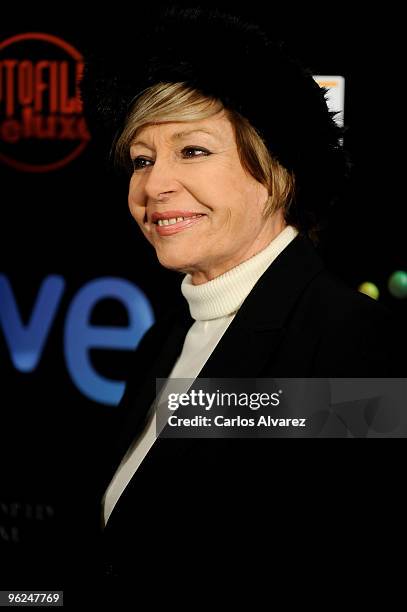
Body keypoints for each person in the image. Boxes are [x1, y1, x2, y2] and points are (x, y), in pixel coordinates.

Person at [78, 6, 403, 595]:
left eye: (193, 151)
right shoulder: (171, 334)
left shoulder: (352, 343)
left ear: (278, 172)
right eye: (142, 159)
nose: (152, 186)